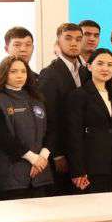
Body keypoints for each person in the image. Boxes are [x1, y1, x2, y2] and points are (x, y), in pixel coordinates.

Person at [0, 56, 54, 200]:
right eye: (13, 71)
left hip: (40, 173)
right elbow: (2, 139)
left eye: (23, 71)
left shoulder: (37, 99)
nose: (19, 75)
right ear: (3, 74)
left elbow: (51, 130)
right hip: (10, 179)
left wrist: (43, 157)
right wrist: (33, 158)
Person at [66, 48, 112, 194]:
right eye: (100, 64)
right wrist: (78, 171)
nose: (105, 68)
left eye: (110, 65)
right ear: (89, 66)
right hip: (92, 166)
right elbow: (74, 135)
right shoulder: (79, 95)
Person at [37, 23, 88, 195]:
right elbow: (50, 116)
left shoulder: (85, 72)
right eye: (68, 38)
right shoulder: (49, 73)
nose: (74, 43)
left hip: (82, 148)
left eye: (78, 39)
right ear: (58, 41)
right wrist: (57, 154)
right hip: (61, 151)